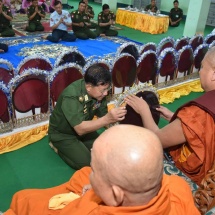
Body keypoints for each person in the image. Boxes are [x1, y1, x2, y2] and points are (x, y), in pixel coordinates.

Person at [4, 125, 200, 215]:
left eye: (95, 171)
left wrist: (93, 198)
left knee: (24, 199)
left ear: (115, 196)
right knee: (82, 176)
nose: (91, 172)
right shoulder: (178, 186)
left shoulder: (87, 210)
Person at [124, 46, 215, 186]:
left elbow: (157, 138)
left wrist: (144, 111)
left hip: (198, 180)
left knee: (139, 152)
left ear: (213, 75)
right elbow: (205, 129)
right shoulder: (197, 115)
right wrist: (175, 118)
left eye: (202, 67)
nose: (200, 71)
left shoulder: (196, 114)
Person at [48, 64, 127, 170]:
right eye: (102, 90)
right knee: (87, 163)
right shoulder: (72, 96)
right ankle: (57, 147)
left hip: (86, 130)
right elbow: (80, 128)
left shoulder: (99, 94)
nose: (106, 93)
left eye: (107, 89)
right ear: (89, 87)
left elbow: (102, 116)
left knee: (107, 149)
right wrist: (108, 119)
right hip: (64, 134)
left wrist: (119, 133)